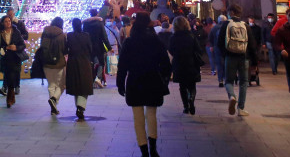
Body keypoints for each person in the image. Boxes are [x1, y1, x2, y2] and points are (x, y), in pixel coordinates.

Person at [117, 11, 170, 157]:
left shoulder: (129, 42)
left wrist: (120, 83)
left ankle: (143, 150)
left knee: (138, 116)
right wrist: (164, 79)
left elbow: (122, 66)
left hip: (135, 81)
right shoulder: (156, 41)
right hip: (152, 79)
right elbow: (166, 64)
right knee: (151, 113)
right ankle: (153, 148)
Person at [217, 3, 258, 116]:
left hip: (230, 57)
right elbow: (252, 45)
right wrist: (254, 61)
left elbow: (219, 42)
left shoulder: (226, 25)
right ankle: (241, 108)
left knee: (229, 81)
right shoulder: (246, 25)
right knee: (244, 82)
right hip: (244, 57)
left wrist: (224, 55)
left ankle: (232, 96)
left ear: (231, 12)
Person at [169, 15, 203, 114]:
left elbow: (171, 50)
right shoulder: (191, 36)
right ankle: (191, 98)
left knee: (182, 86)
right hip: (191, 62)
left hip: (179, 63)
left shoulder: (173, 37)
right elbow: (198, 50)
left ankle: (185, 107)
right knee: (192, 85)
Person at [65, 17, 94, 120]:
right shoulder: (86, 36)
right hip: (84, 62)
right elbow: (90, 49)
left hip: (73, 63)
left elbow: (66, 49)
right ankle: (80, 107)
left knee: (76, 86)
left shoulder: (69, 35)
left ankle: (78, 107)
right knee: (84, 86)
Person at [40, 16, 67, 115]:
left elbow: (41, 46)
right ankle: (54, 99)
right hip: (59, 62)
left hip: (46, 62)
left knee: (51, 85)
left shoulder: (45, 32)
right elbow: (65, 49)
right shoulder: (62, 35)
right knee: (61, 85)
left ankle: (53, 107)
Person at [0, 15, 25, 107]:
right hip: (6, 58)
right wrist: (4, 48)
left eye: (9, 21)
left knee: (12, 77)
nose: (8, 23)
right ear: (2, 23)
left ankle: (10, 99)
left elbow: (23, 45)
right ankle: (11, 98)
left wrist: (16, 47)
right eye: (6, 21)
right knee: (8, 77)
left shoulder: (16, 32)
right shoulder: (0, 33)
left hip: (15, 58)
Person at [83, 8, 109, 87]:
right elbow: (104, 36)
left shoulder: (86, 24)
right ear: (97, 14)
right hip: (99, 46)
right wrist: (109, 47)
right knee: (101, 63)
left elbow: (84, 36)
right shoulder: (99, 23)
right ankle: (98, 77)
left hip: (88, 47)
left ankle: (91, 80)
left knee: (90, 63)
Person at [208, 15, 227, 86]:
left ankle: (220, 80)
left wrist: (212, 45)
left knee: (219, 64)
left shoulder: (214, 28)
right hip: (226, 48)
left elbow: (210, 38)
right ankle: (226, 79)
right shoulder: (227, 27)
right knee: (226, 63)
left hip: (217, 47)